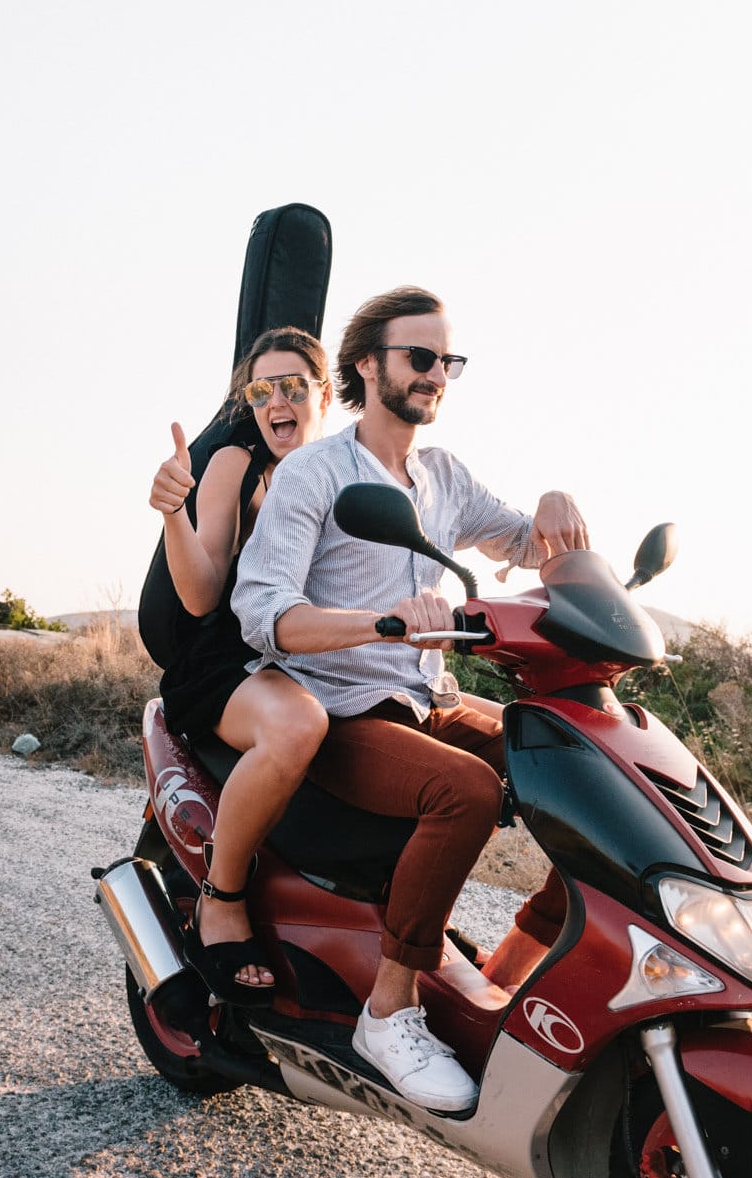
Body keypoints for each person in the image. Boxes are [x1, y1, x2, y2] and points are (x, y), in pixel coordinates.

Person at [232, 286, 582, 1112]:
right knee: (463, 790)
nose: (436, 374)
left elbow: (526, 543)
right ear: (367, 364)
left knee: (574, 760)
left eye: (446, 361)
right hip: (340, 711)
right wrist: (381, 624)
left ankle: (513, 968)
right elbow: (263, 613)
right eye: (419, 357)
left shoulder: (443, 477)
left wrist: (557, 509)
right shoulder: (317, 472)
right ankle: (388, 1013)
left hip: (423, 698)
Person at [148, 327, 334, 1005]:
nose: (277, 401)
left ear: (327, 394)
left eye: (293, 387)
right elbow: (201, 593)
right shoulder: (237, 463)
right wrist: (175, 513)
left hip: (323, 656)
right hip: (233, 658)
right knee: (295, 727)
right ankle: (221, 898)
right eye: (262, 390)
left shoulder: (352, 467)